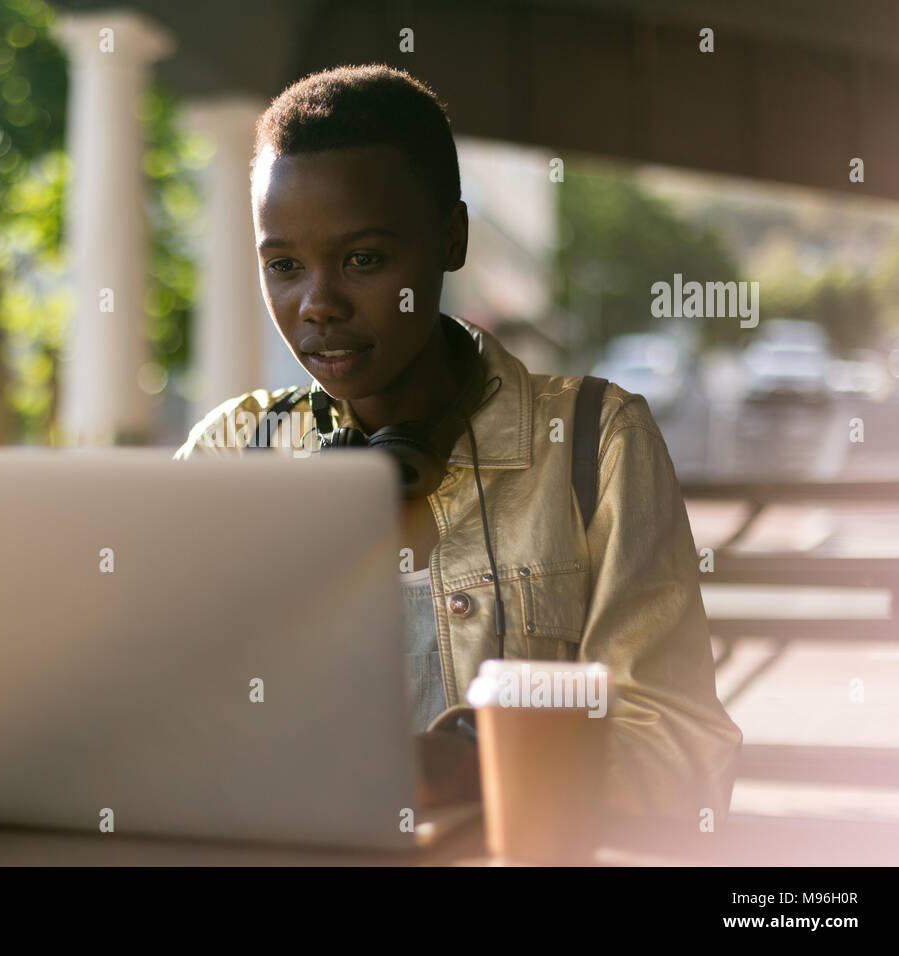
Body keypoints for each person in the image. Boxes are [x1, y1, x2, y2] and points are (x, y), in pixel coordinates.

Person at [172, 64, 742, 825]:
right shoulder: (232, 453)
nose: (319, 304)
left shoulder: (595, 443)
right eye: (283, 266)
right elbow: (158, 712)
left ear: (451, 238)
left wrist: (477, 769)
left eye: (364, 259)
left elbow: (680, 752)